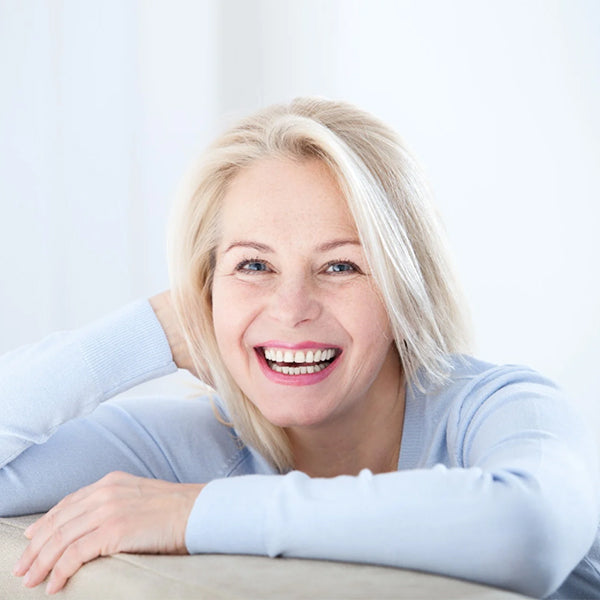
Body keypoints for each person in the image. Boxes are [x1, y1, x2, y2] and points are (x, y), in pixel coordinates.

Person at [1, 97, 598, 598]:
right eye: (253, 265)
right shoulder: (192, 444)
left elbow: (531, 529)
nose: (291, 309)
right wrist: (148, 330)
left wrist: (194, 514)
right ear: (206, 288)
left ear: (404, 288)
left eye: (341, 265)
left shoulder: (501, 407)